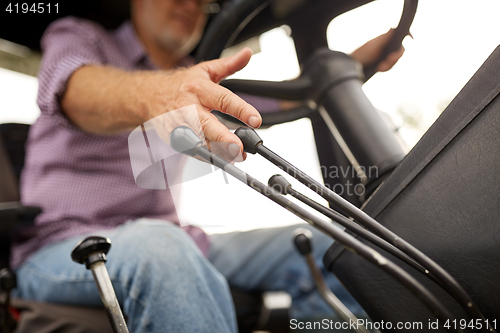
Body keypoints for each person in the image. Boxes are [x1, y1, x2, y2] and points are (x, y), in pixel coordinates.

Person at [11, 0, 405, 331]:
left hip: (176, 238)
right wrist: (159, 94)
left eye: (205, 1)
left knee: (339, 247)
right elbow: (73, 90)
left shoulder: (190, 74)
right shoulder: (81, 37)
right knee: (162, 247)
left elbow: (272, 103)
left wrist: (351, 65)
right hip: (63, 246)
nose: (193, 5)